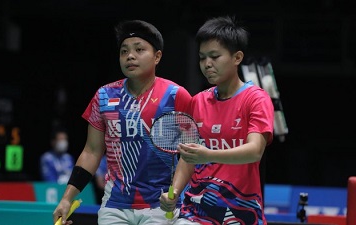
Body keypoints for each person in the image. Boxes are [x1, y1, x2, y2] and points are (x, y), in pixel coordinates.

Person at [52, 19, 192, 225]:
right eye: (124, 51)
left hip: (160, 205)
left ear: (157, 56)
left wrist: (176, 192)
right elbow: (91, 152)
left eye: (139, 49)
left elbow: (190, 154)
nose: (130, 56)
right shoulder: (104, 96)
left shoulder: (175, 95)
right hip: (114, 205)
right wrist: (66, 198)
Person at [159, 15, 275, 225]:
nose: (207, 64)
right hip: (196, 210)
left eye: (214, 56)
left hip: (240, 210)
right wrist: (174, 191)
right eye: (202, 57)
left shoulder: (256, 99)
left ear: (237, 57)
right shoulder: (197, 102)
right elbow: (188, 157)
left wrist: (208, 155)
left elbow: (255, 151)